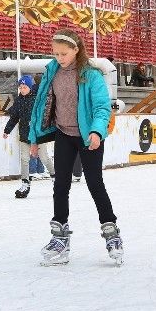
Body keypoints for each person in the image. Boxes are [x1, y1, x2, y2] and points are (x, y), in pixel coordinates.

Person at [29, 29, 123, 266]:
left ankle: (112, 235)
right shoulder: (52, 72)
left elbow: (102, 107)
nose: (59, 57)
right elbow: (40, 105)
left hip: (88, 137)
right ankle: (60, 238)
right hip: (63, 134)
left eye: (64, 53)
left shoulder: (90, 75)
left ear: (76, 50)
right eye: (56, 53)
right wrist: (34, 138)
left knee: (95, 184)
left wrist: (96, 131)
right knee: (60, 185)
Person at [3, 74, 55, 198]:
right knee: (24, 159)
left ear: (30, 87)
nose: (22, 89)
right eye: (20, 87)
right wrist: (7, 130)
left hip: (38, 135)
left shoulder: (38, 99)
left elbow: (45, 115)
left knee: (44, 158)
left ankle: (55, 177)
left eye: (24, 87)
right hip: (24, 134)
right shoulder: (19, 100)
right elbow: (14, 117)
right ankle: (25, 183)